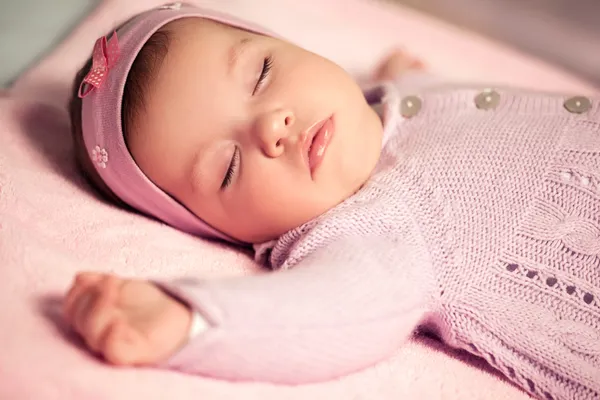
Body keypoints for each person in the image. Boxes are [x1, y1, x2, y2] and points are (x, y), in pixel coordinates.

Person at [64, 3, 600, 399]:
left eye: (263, 73)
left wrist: (407, 79)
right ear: (225, 232)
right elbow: (326, 314)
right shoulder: (375, 231)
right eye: (227, 168)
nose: (272, 126)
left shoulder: (390, 104)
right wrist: (187, 320)